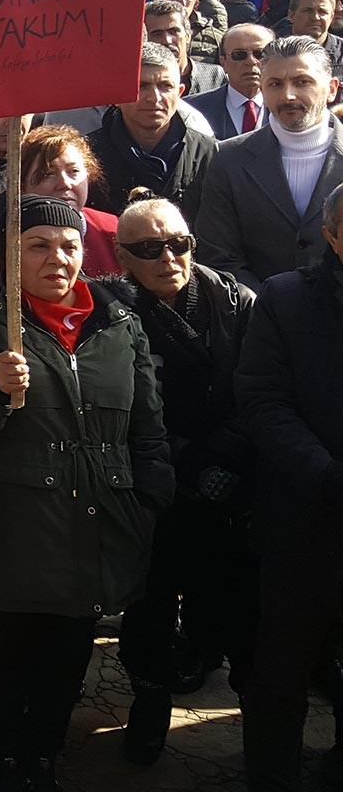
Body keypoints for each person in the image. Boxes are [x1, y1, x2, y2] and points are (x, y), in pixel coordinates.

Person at [0, 195, 170, 792]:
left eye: (68, 246)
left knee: (68, 656)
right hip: (7, 529)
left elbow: (148, 428)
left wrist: (147, 506)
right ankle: (5, 757)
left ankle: (44, 753)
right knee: (4, 656)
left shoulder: (119, 324)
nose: (57, 258)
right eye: (37, 245)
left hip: (95, 522)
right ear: (10, 256)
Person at [105, 197, 255, 765]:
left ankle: (243, 705)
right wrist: (175, 460)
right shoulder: (113, 308)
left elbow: (261, 383)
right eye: (148, 249)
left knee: (233, 596)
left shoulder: (234, 299)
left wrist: (227, 454)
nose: (167, 257)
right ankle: (149, 702)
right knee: (150, 598)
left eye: (179, 244)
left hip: (229, 466)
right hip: (155, 471)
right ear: (124, 257)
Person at [236, 181, 343, 789]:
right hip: (304, 518)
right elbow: (262, 400)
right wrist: (325, 475)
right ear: (329, 234)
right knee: (282, 669)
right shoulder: (286, 299)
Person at [197, 35, 343, 289]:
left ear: (331, 88)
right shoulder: (228, 158)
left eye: (302, 82)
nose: (288, 95)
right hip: (259, 318)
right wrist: (269, 307)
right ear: (262, 89)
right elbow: (220, 255)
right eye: (275, 84)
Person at [0, 125, 124, 280]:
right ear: (20, 184)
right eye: (48, 173)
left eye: (74, 171)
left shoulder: (113, 230)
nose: (65, 183)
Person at [83, 42, 217, 217]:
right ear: (116, 94)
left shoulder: (210, 154)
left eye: (165, 86)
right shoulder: (86, 156)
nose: (154, 98)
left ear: (180, 92)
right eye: (142, 86)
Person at [184, 23, 274, 139]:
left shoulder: (288, 106)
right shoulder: (192, 109)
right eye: (239, 55)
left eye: (260, 54)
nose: (251, 61)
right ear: (223, 62)